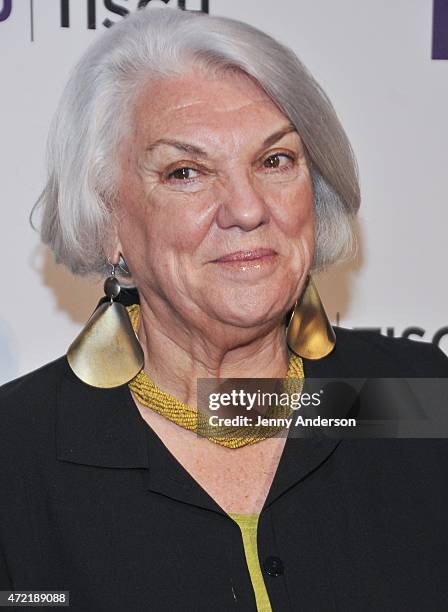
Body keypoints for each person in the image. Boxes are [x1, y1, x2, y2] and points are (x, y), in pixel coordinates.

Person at [1, 6, 447, 611]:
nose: (246, 208)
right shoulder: (16, 456)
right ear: (109, 222)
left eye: (275, 161)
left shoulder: (417, 396)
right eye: (186, 172)